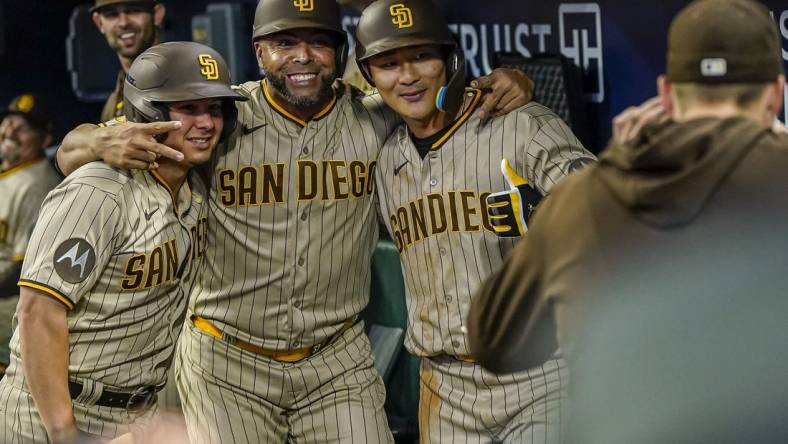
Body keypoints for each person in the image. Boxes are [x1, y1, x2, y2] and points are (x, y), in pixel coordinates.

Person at [56, 1, 533, 442]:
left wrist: (513, 79)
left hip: (337, 362)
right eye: (285, 43)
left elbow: (445, 96)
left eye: (318, 42)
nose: (303, 57)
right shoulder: (219, 118)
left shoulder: (374, 118)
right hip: (228, 361)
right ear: (260, 52)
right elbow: (69, 150)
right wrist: (98, 143)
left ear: (340, 53)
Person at [467, 0, 788, 442]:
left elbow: (494, 340)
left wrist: (613, 167)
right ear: (775, 94)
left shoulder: (587, 198)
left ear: (667, 93)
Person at [354, 0, 594, 442]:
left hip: (539, 377)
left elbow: (609, 214)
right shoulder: (384, 159)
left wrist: (543, 217)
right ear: (369, 77)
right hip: (443, 386)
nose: (407, 76)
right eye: (388, 64)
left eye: (422, 57)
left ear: (451, 60)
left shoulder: (521, 125)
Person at [0, 41, 245, 443]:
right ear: (150, 112)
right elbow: (38, 314)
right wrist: (65, 433)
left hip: (133, 414)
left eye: (215, 109)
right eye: (189, 108)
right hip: (53, 412)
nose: (206, 123)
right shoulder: (99, 192)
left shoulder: (192, 190)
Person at [0, 94, 61, 375]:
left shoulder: (39, 186)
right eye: (10, 121)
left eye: (23, 128)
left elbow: (24, 270)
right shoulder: (10, 171)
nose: (11, 131)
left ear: (45, 141)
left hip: (9, 315)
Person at [91, 0, 166, 122]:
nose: (123, 23)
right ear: (99, 23)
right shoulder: (114, 102)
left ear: (157, 14)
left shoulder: (182, 79)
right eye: (112, 14)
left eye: (134, 10)